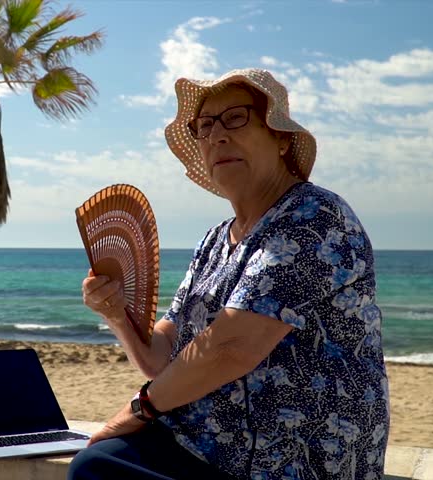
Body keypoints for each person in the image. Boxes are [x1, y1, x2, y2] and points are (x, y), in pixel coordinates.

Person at [70, 69, 389, 480]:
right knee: (98, 462)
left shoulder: (315, 218)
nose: (217, 135)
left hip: (293, 461)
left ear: (280, 138)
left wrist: (139, 409)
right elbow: (161, 355)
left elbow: (230, 348)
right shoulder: (215, 240)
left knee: (97, 467)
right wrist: (115, 314)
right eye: (205, 126)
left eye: (236, 118)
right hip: (210, 447)